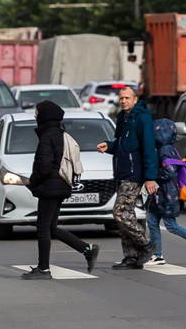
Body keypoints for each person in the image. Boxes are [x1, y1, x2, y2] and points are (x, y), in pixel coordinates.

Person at [22, 100, 100, 280]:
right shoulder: (61, 134)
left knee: (42, 227)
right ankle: (87, 250)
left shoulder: (48, 136)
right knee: (51, 227)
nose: (35, 117)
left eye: (37, 114)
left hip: (50, 187)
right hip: (61, 185)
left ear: (44, 116)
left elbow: (44, 165)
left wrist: (32, 181)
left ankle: (43, 269)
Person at [97, 86, 158, 270]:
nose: (123, 101)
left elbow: (148, 149)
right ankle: (131, 257)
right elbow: (123, 145)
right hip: (121, 172)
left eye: (127, 98)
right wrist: (109, 146)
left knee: (119, 212)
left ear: (135, 99)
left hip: (134, 174)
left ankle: (146, 244)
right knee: (126, 215)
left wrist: (149, 177)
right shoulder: (123, 118)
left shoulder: (143, 118)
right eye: (121, 98)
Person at [145, 119, 186, 265]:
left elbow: (169, 171)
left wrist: (151, 174)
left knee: (171, 225)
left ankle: (157, 254)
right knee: (152, 220)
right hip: (162, 193)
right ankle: (157, 255)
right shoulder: (168, 148)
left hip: (168, 194)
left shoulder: (164, 150)